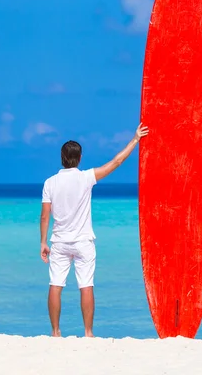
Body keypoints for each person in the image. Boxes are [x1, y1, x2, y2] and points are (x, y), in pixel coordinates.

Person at [39, 123, 149, 337]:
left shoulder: (50, 183)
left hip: (59, 242)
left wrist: (43, 242)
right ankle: (88, 333)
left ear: (62, 158)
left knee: (55, 284)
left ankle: (55, 332)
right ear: (79, 159)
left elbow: (45, 215)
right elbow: (117, 161)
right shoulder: (86, 177)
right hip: (83, 242)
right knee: (86, 285)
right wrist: (135, 139)